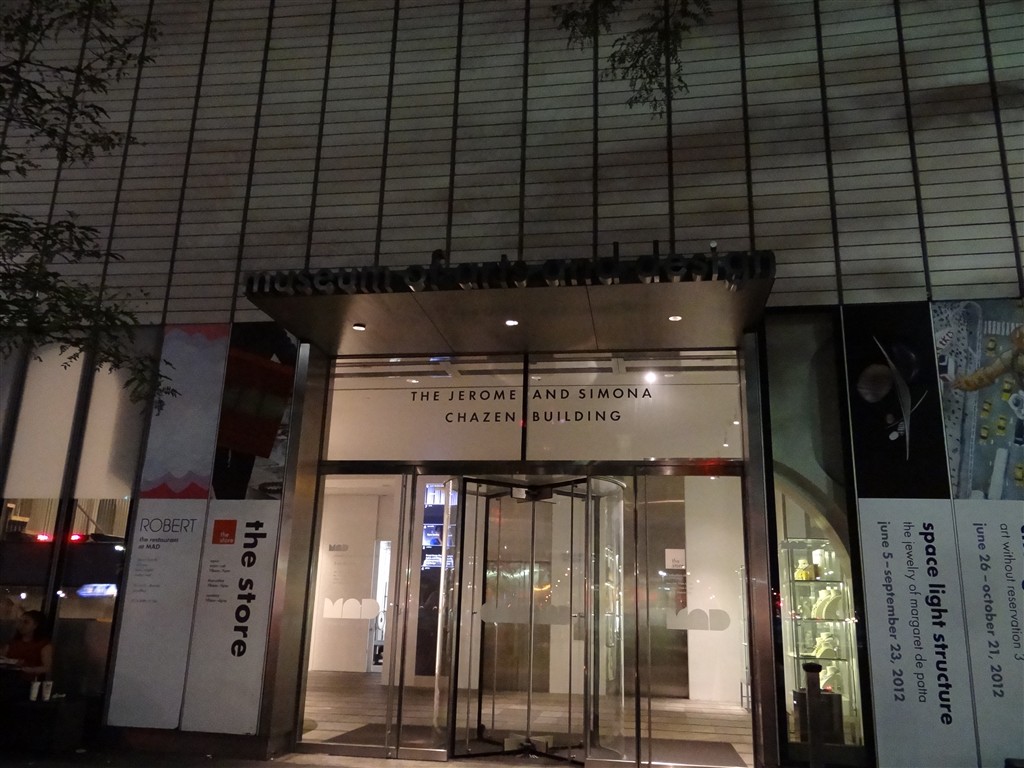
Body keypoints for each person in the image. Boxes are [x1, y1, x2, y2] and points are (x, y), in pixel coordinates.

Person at [0, 610, 52, 701]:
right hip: (6, 677)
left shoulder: (43, 645)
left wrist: (30, 669)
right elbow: (2, 657)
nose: (21, 625)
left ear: (36, 625)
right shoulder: (13, 642)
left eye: (26, 622)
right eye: (20, 621)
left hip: (26, 682)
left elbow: (47, 667)